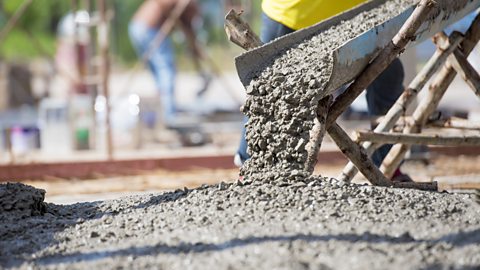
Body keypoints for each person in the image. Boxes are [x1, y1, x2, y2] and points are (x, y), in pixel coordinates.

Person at [234, 0, 411, 181]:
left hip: (356, 17)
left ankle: (389, 165)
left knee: (388, 76)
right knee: (270, 91)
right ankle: (251, 168)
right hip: (293, 15)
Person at [128, 0, 201, 126]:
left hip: (137, 27)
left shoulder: (185, 9)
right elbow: (163, 4)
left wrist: (195, 50)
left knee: (159, 75)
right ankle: (169, 115)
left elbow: (189, 32)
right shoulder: (188, 5)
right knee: (166, 70)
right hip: (149, 28)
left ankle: (162, 111)